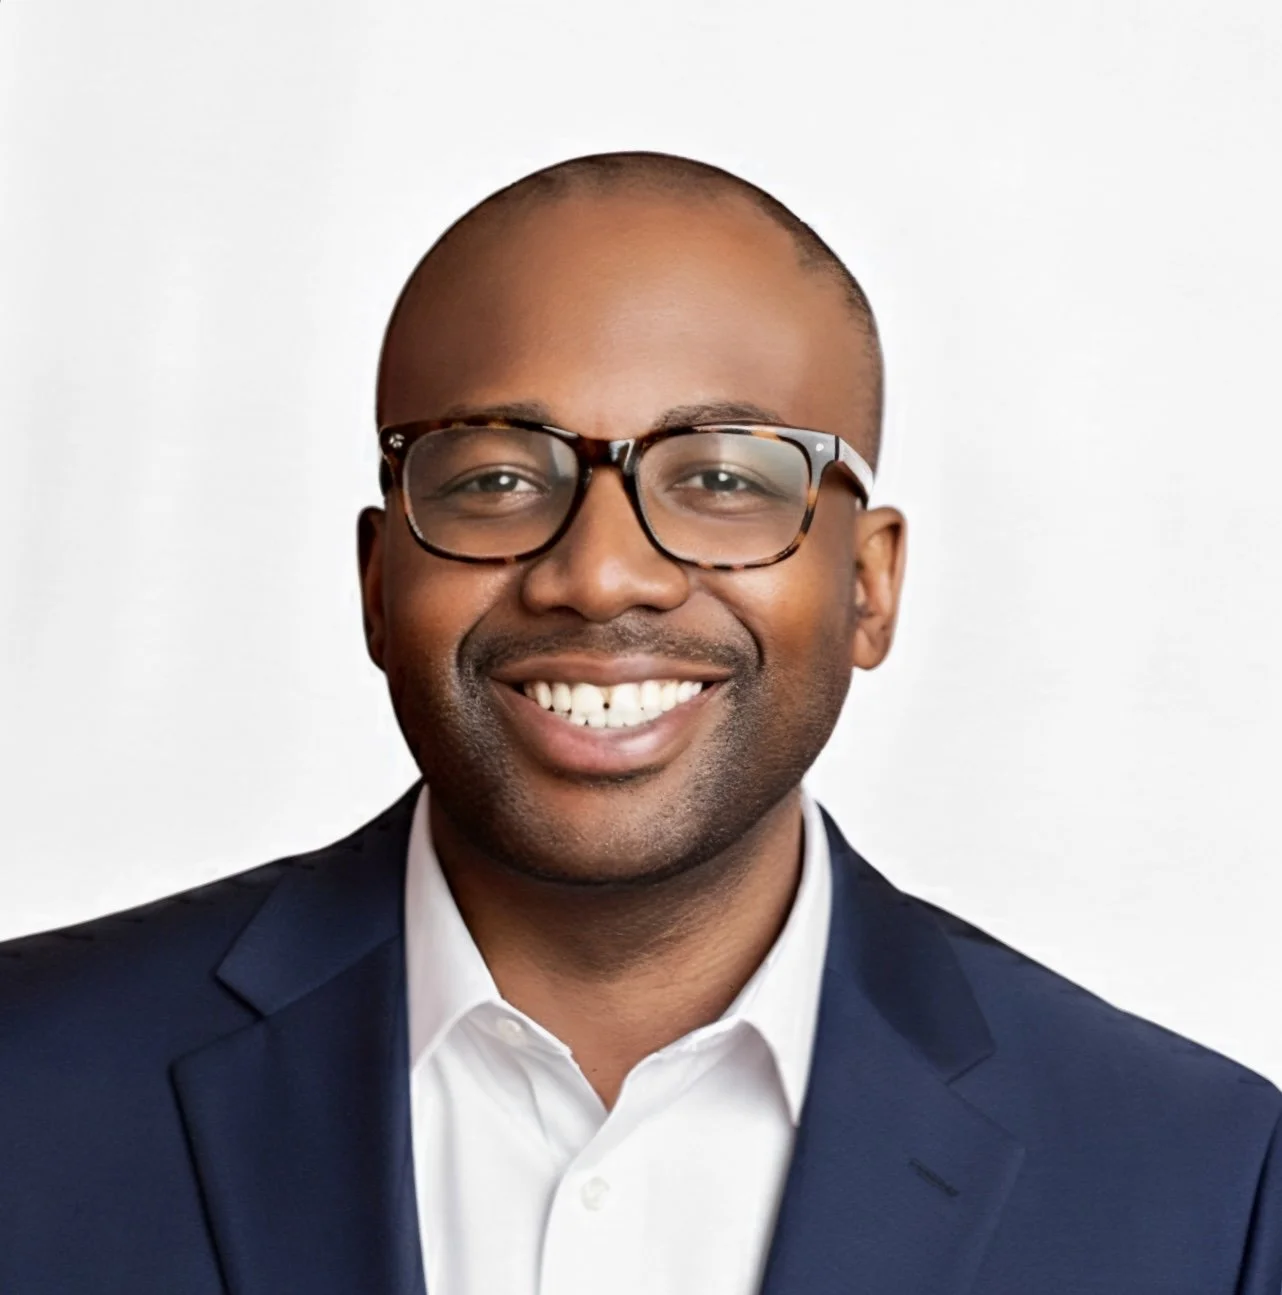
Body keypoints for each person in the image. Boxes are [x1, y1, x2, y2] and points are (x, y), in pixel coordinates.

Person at [1, 151, 1278, 1295]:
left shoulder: (1206, 1185)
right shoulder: (30, 1083)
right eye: (497, 475)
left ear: (868, 586)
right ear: (379, 582)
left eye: (724, 477)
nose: (600, 573)